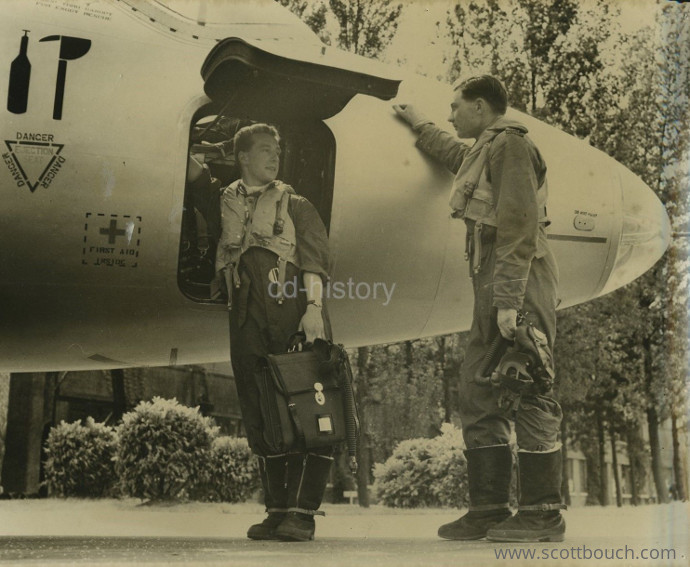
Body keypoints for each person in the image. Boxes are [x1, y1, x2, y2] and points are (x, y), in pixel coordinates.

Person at [394, 75, 564, 543]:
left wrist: (508, 303)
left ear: (480, 107)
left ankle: (543, 513)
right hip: (493, 281)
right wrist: (418, 122)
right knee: (476, 387)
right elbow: (454, 154)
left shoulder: (511, 146)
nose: (451, 115)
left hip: (520, 279)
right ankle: (488, 508)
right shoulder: (486, 148)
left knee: (528, 384)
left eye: (456, 107)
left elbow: (519, 226)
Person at [214, 123, 334, 542]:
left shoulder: (298, 206)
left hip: (293, 313)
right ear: (243, 157)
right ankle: (277, 509)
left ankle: (302, 513)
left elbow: (316, 263)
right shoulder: (227, 199)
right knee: (259, 407)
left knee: (305, 408)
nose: (273, 156)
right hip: (247, 318)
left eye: (277, 150)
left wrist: (314, 310)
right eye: (264, 150)